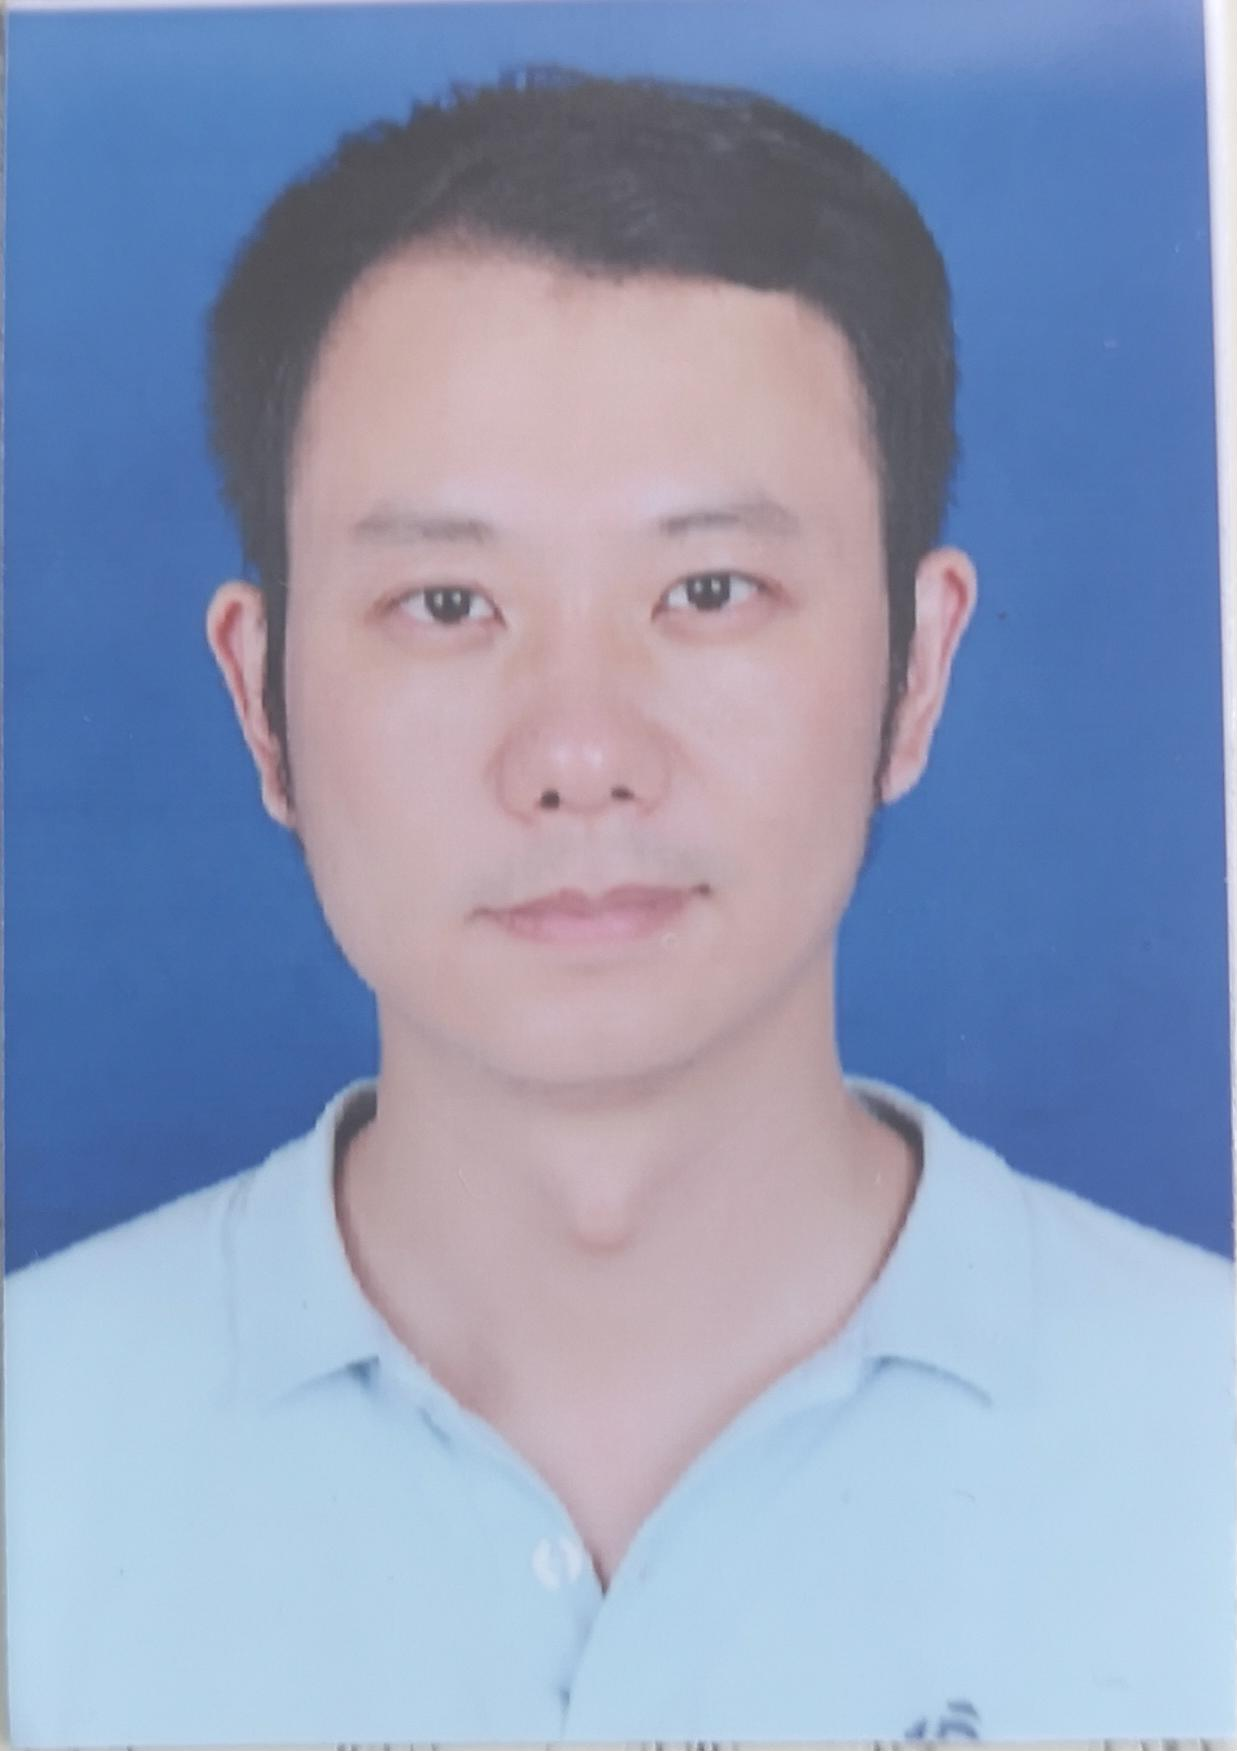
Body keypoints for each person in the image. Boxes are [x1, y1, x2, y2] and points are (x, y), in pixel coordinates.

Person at [4, 67, 1234, 1748]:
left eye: (710, 590)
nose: (580, 753)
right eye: (448, 602)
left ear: (921, 666)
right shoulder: (33, 1448)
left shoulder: (1211, 1432)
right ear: (260, 698)